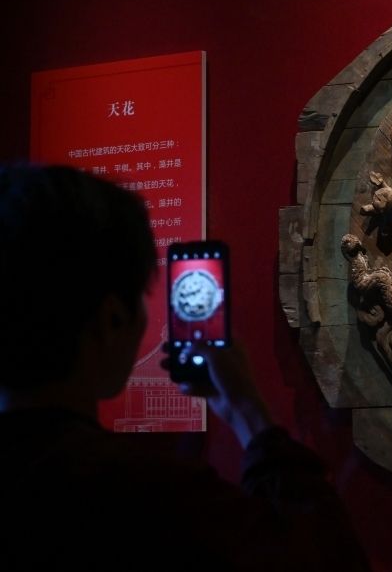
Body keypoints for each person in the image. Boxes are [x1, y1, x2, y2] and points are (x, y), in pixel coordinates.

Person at [0, 164, 369, 570]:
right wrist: (250, 414)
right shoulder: (148, 497)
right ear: (111, 320)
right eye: (143, 295)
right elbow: (326, 558)